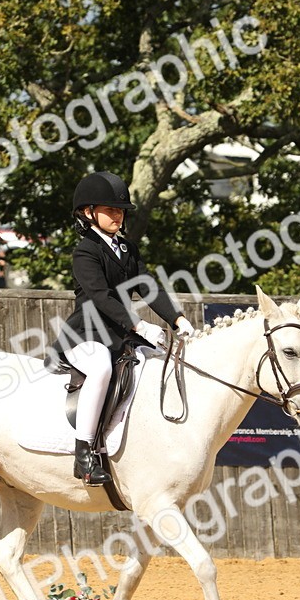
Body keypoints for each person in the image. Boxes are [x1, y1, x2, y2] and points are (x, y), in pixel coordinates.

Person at [49, 171, 196, 486]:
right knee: (101, 368)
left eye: (120, 210)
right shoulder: (86, 251)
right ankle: (84, 453)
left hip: (120, 334)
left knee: (159, 362)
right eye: (110, 209)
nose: (118, 215)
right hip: (86, 334)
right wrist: (141, 325)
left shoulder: (127, 250)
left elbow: (148, 287)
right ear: (88, 213)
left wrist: (177, 319)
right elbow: (101, 298)